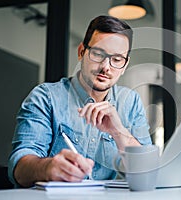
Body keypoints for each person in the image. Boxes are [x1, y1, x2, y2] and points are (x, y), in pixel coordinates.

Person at [8, 15, 152, 187]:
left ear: (125, 66)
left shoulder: (131, 102)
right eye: (98, 54)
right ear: (81, 52)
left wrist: (118, 132)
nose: (106, 67)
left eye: (117, 59)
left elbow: (148, 171)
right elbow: (19, 168)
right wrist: (47, 168)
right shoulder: (45, 97)